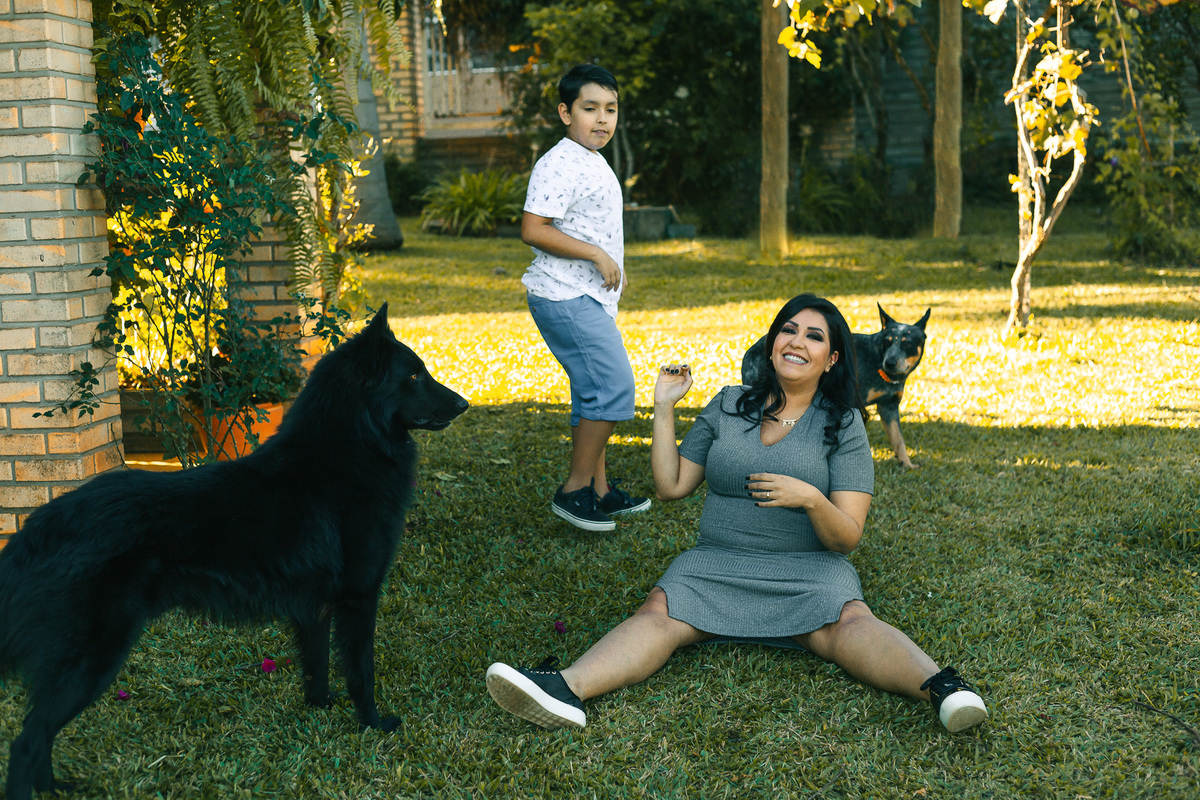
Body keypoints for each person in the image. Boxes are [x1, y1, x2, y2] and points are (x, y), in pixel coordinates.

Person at [485, 294, 989, 733]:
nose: (796, 341)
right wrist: (664, 408)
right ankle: (566, 689)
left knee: (850, 620)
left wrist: (811, 498)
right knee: (657, 612)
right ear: (771, 344)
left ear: (833, 358)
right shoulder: (727, 405)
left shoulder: (844, 423)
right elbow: (671, 486)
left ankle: (943, 689)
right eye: (787, 330)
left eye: (814, 336)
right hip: (716, 564)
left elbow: (846, 538)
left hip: (808, 571)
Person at [520, 64, 649, 533]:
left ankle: (598, 489)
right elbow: (533, 230)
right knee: (614, 388)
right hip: (563, 294)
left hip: (586, 297)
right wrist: (596, 254)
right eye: (589, 108)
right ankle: (574, 491)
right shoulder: (558, 162)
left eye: (610, 109)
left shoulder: (588, 158)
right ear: (564, 112)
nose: (602, 119)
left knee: (590, 392)